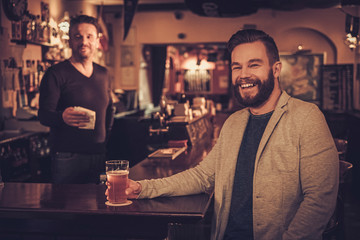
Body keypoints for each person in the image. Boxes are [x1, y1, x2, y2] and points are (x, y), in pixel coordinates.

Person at [106, 29, 339, 240]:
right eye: (237, 66)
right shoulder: (234, 123)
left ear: (276, 69)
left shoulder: (306, 117)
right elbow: (202, 176)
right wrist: (143, 188)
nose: (243, 75)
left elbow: (319, 200)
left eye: (254, 65)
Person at [38, 15, 113, 184]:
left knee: (99, 208)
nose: (84, 41)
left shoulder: (104, 73)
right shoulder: (56, 74)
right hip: (67, 157)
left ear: (97, 41)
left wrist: (105, 141)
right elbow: (43, 115)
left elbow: (109, 110)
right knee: (69, 208)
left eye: (89, 36)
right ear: (70, 41)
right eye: (78, 36)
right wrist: (61, 117)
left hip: (99, 155)